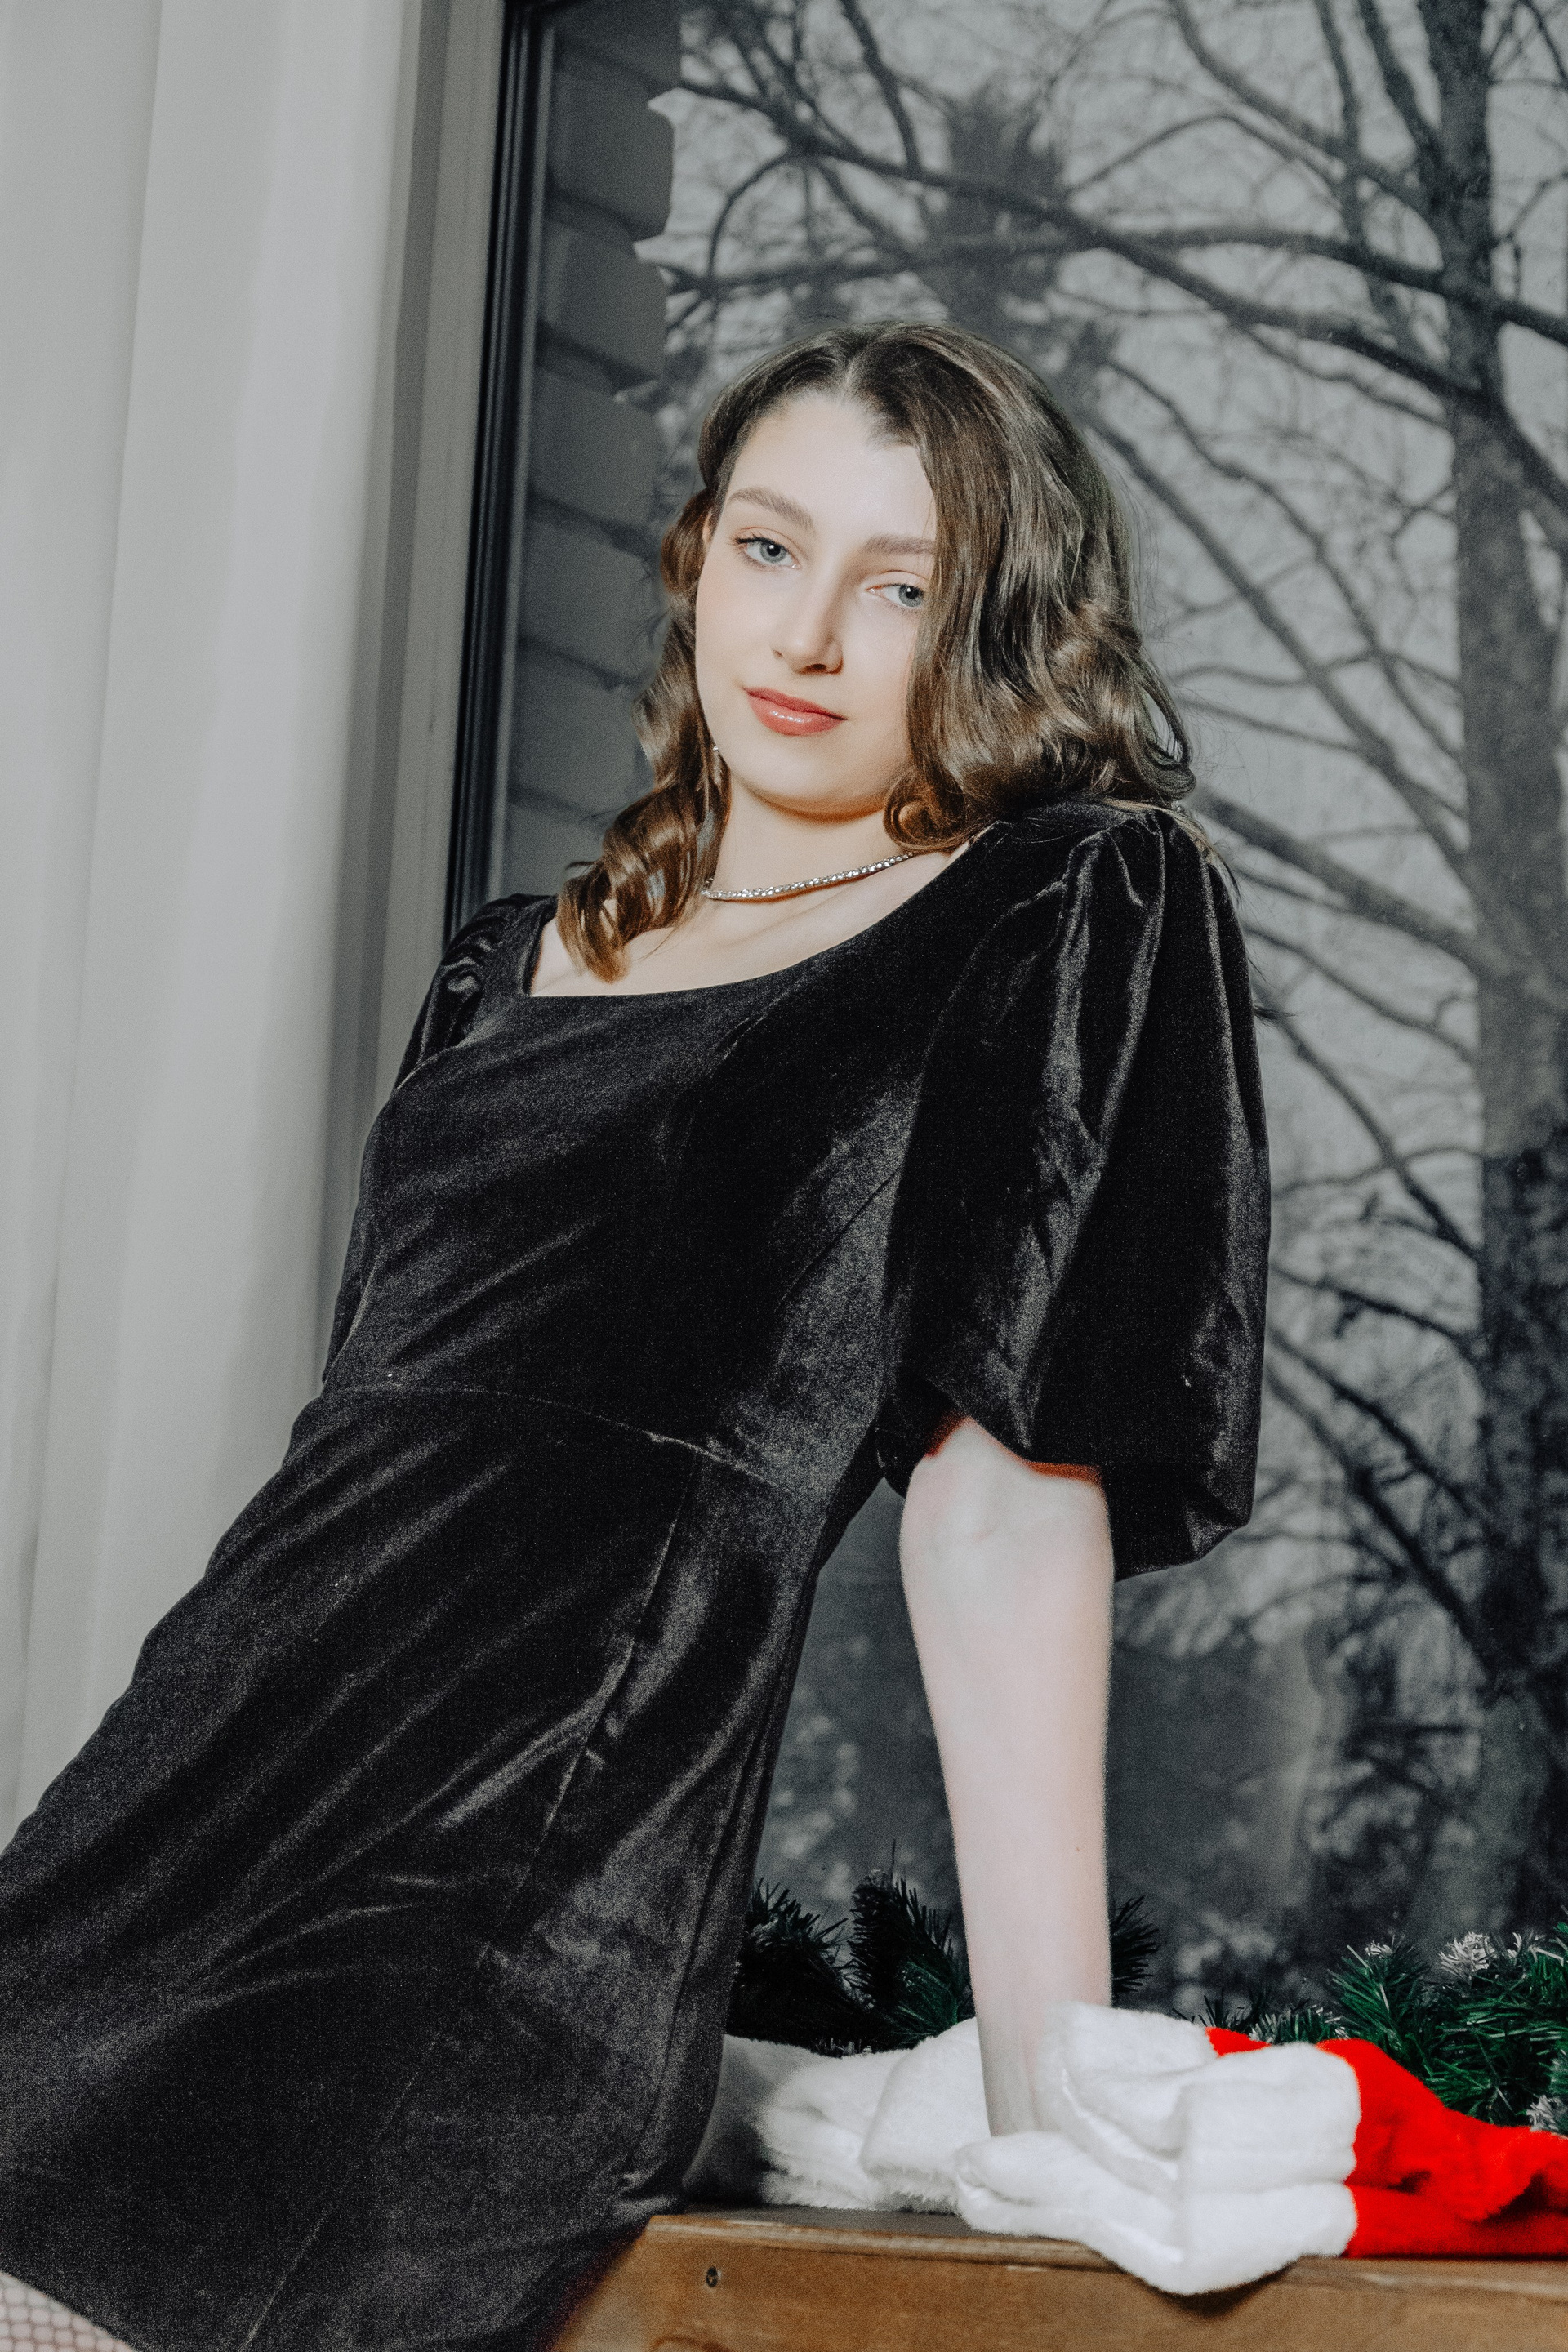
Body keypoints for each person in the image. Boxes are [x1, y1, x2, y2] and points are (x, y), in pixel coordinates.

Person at [0, 322, 1267, 2351]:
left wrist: (1054, 2095)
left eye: (902, 585)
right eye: (768, 547)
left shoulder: (1059, 908)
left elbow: (1006, 1513)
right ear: (694, 559)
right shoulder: (507, 963)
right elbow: (370, 1456)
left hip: (494, 1882)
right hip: (171, 1804)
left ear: (995, 625)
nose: (810, 634)